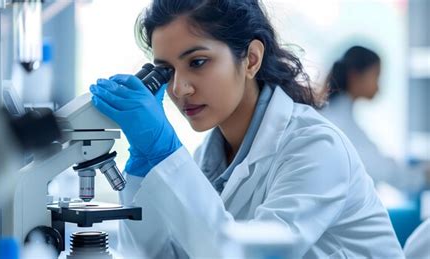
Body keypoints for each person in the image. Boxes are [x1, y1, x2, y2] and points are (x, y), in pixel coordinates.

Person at [89, 0, 403, 258]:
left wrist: (166, 153)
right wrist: (144, 171)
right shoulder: (210, 160)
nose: (179, 88)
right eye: (166, 71)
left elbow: (246, 255)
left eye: (197, 62)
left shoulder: (316, 147)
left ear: (251, 59)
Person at [320, 46, 422, 190]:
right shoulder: (338, 122)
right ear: (354, 76)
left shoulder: (336, 114)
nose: (378, 87)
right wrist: (422, 175)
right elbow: (383, 170)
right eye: (376, 76)